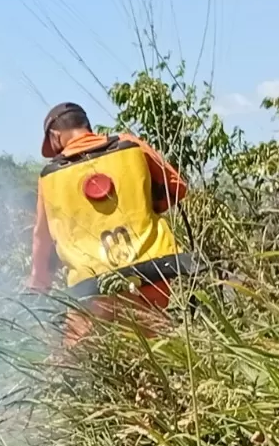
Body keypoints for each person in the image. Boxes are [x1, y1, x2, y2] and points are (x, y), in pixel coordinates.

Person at [29, 102, 193, 344]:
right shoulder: (131, 145)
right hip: (153, 273)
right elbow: (177, 188)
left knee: (72, 361)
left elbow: (42, 238)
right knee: (156, 350)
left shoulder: (50, 176)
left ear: (55, 136)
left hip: (91, 286)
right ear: (87, 125)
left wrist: (39, 281)